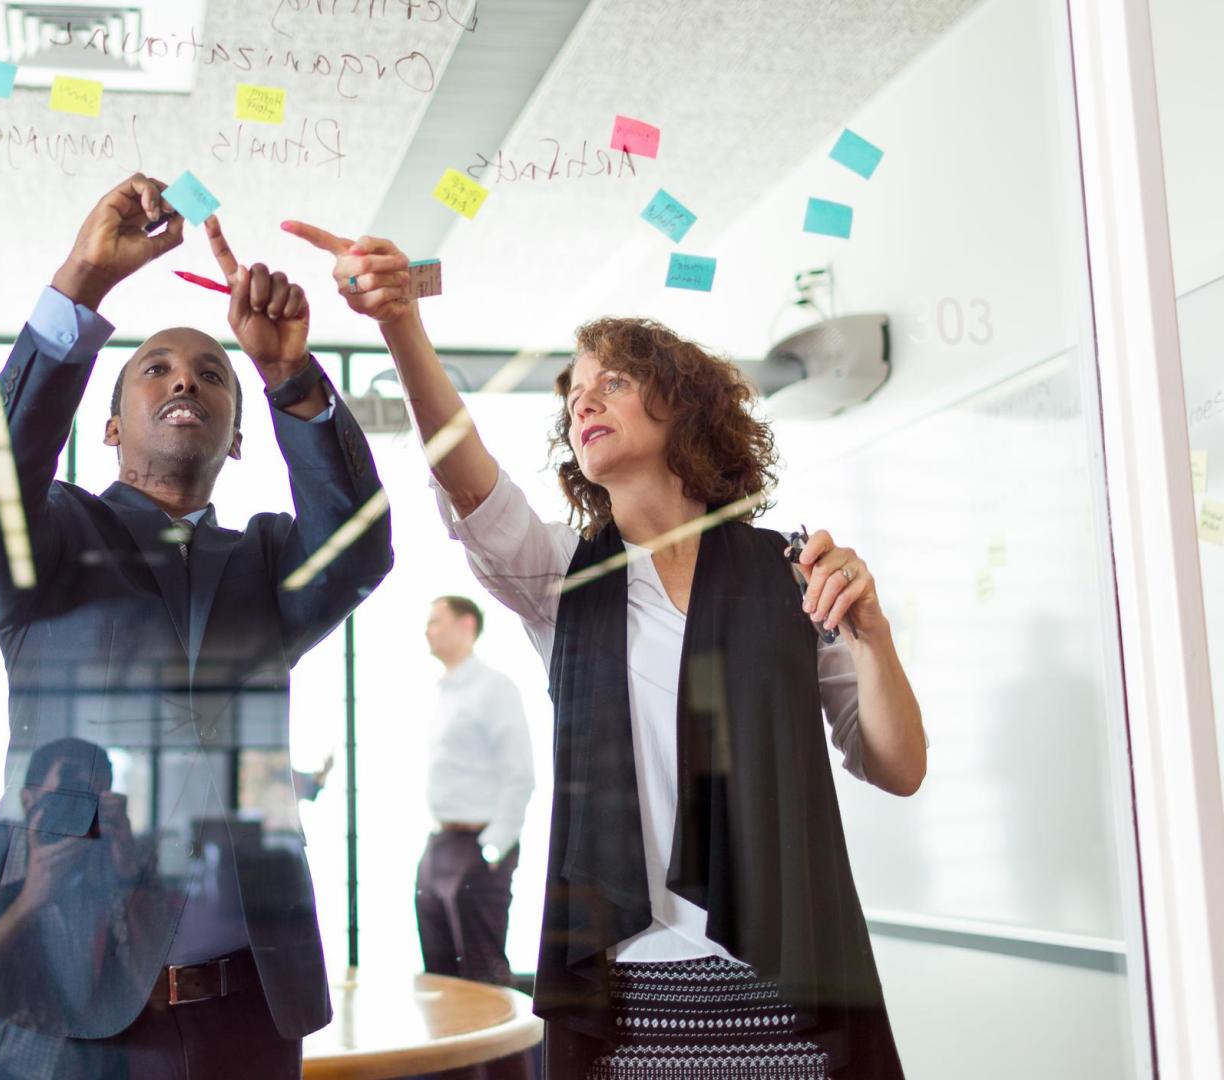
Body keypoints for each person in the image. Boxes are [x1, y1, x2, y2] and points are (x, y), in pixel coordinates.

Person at [288, 222, 926, 1079]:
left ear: (688, 408)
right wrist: (401, 323)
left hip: (790, 986)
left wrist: (874, 636)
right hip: (624, 994)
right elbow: (466, 475)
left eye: (613, 383)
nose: (583, 401)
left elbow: (895, 764)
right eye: (575, 392)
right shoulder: (560, 573)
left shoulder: (791, 572)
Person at [0, 175, 392, 1080]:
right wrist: (82, 286)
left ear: (239, 436)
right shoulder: (51, 547)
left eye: (213, 374)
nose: (187, 378)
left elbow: (360, 549)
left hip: (250, 1013)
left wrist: (288, 374)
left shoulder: (267, 567)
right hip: (70, 1002)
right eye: (158, 369)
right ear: (108, 426)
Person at [415, 595, 534, 988]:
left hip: (477, 846)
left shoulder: (494, 688)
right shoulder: (440, 693)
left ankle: (500, 1053)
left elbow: (519, 774)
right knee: (440, 978)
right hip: (439, 845)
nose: (427, 630)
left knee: (483, 976)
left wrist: (493, 848)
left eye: (436, 620)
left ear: (466, 626)